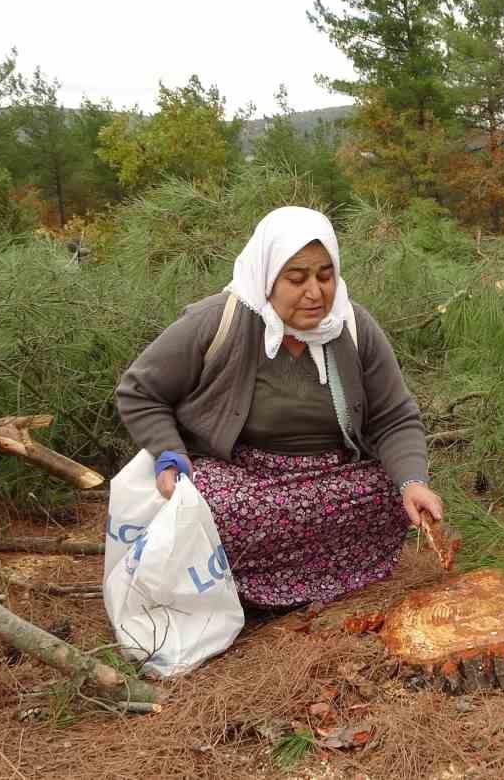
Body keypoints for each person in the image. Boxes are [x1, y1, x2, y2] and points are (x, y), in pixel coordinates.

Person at [115, 206, 444, 611]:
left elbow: (394, 417)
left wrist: (412, 481)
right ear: (267, 276)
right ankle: (243, 590)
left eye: (325, 275)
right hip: (243, 475)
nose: (315, 292)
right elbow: (139, 390)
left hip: (332, 475)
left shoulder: (353, 326)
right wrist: (169, 452)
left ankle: (289, 586)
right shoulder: (219, 320)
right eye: (296, 278)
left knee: (391, 496)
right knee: (213, 509)